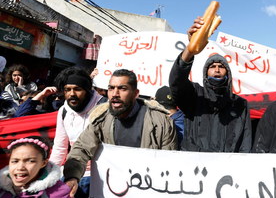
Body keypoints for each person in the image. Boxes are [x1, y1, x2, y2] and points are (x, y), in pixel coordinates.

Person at [63, 69, 177, 197]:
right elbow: (81, 148)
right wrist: (72, 176)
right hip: (112, 190)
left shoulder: (160, 122)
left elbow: (168, 163)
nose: (115, 94)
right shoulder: (101, 119)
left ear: (136, 93)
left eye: (122, 88)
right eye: (111, 88)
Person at [168, 17, 252, 152]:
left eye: (221, 66)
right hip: (195, 166)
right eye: (212, 66)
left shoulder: (240, 104)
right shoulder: (194, 95)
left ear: (228, 72)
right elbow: (176, 81)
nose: (217, 70)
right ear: (206, 72)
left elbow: (245, 142)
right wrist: (190, 49)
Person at [49, 67, 107, 198]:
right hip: (72, 175)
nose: (72, 94)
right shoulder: (64, 111)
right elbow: (60, 147)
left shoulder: (105, 108)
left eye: (77, 89)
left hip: (99, 178)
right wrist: (50, 175)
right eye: (67, 90)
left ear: (87, 90)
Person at [0, 136, 70, 197]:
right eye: (15, 161)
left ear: (43, 163)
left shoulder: (59, 192)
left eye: (30, 161)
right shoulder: (1, 189)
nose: (20, 167)